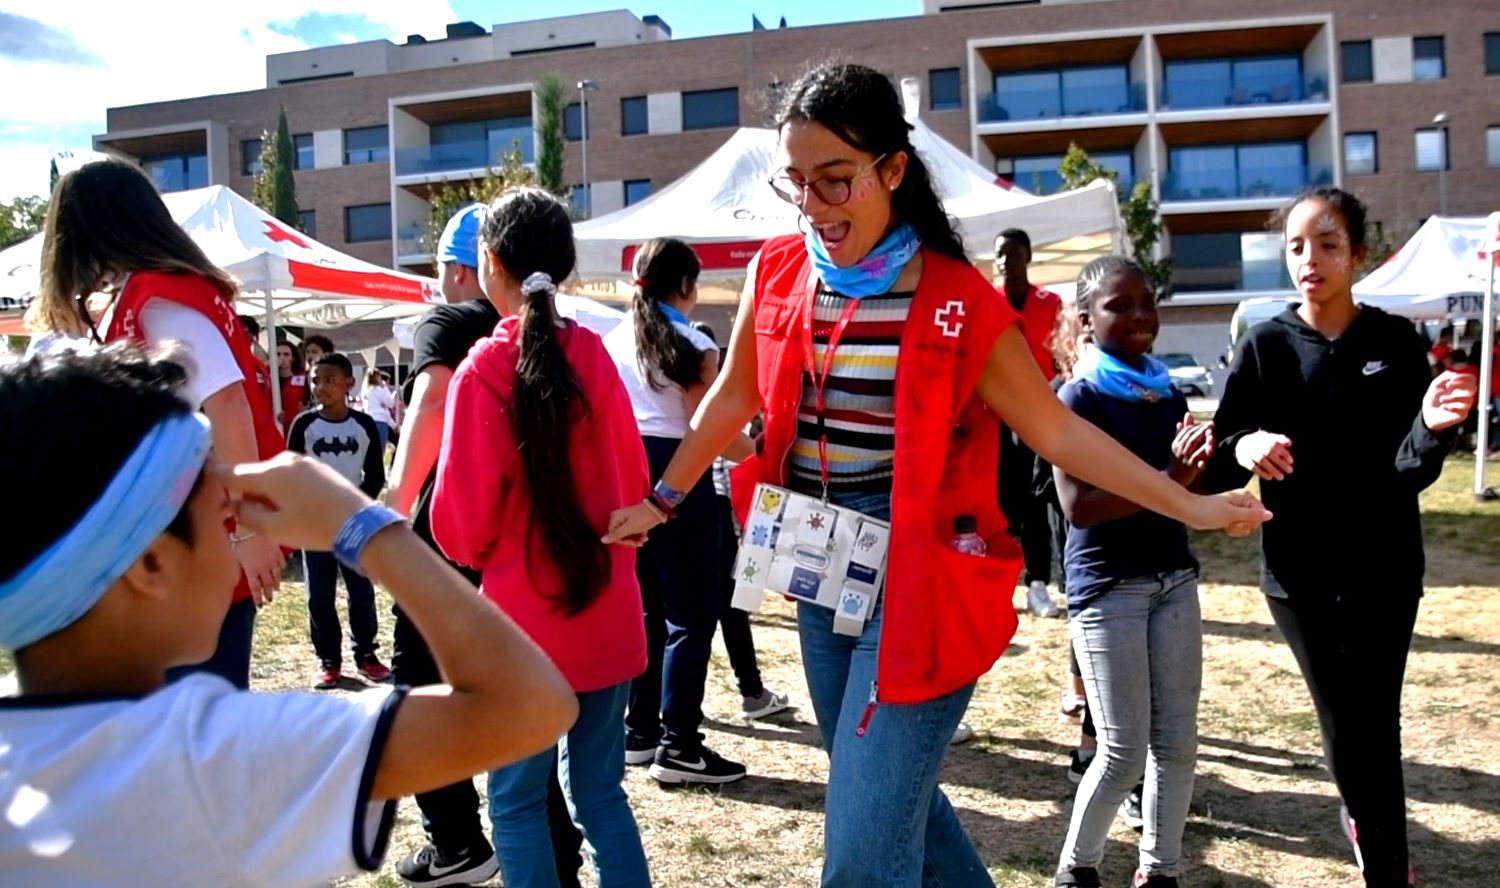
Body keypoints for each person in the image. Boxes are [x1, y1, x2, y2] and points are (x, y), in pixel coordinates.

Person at [603, 63, 1268, 888]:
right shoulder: (779, 272)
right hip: (818, 559)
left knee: (859, 853)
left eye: (835, 180)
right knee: (888, 801)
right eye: (796, 182)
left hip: (921, 574)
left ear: (892, 170)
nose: (812, 204)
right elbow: (736, 391)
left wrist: (1190, 507)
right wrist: (663, 498)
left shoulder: (958, 300)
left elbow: (1058, 430)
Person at [0, 342, 578, 885]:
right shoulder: (212, 757)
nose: (239, 533)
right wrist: (362, 524)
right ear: (151, 565)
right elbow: (532, 705)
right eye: (222, 517)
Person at [1204, 187, 1476, 888]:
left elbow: (1410, 466)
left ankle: (1383, 863)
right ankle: (1369, 824)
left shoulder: (1393, 342)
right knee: (1343, 722)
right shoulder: (1262, 344)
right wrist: (1247, 446)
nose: (1310, 260)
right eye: (1296, 245)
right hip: (1298, 575)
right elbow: (1219, 451)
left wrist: (1435, 426)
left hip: (1386, 567)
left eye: (1327, 244)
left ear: (1358, 254)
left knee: (1372, 720)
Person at [431, 187, 652, 888]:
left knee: (518, 801)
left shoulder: (482, 372)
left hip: (522, 633)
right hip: (608, 612)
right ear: (564, 268)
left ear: (488, 263)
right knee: (601, 793)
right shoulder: (595, 356)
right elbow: (632, 487)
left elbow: (459, 530)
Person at [25, 156, 286, 690]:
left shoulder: (160, 297)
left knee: (191, 722)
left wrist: (251, 528)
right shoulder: (156, 294)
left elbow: (230, 406)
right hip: (180, 545)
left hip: (200, 544)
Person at [386, 204, 585, 888]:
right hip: (527, 546)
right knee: (516, 694)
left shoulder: (446, 323)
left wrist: (394, 497)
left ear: (467, 268)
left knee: (415, 684)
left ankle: (457, 840)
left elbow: (432, 403)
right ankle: (558, 850)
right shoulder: (555, 331)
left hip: (454, 531)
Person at [1050, 256, 1211, 888]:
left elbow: (1178, 492)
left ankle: (1160, 873)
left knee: (1176, 745)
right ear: (1087, 321)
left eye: (1148, 302)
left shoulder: (1167, 391)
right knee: (1120, 753)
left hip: (1173, 577)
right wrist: (1170, 481)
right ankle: (1077, 870)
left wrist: (1198, 475)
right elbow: (1079, 508)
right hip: (1108, 588)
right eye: (1122, 305)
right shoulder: (1078, 398)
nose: (1141, 316)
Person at [605, 237, 754, 785]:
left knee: (647, 611)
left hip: (625, 473)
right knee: (692, 616)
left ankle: (641, 732)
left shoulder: (613, 340)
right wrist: (762, 451)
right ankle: (680, 745)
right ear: (686, 286)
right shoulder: (692, 343)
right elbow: (707, 429)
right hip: (680, 480)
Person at [693, 319, 793, 721]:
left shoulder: (680, 400)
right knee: (719, 611)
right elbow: (738, 457)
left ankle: (661, 715)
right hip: (717, 513)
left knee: (695, 615)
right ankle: (748, 692)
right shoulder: (715, 406)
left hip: (701, 512)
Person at [288, 353, 392, 689]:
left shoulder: (362, 425)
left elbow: (375, 475)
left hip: (353, 522)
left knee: (360, 590)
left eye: (330, 380)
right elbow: (292, 471)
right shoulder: (304, 425)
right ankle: (329, 660)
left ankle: (366, 654)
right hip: (314, 523)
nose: (321, 387)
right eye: (315, 380)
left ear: (349, 384)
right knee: (319, 594)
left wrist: (355, 504)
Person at [994, 227, 1066, 619]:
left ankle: (1037, 584)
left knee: (1037, 501)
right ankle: (1000, 583)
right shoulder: (986, 301)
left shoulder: (1050, 303)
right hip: (996, 419)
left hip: (1038, 415)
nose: (1006, 262)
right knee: (1000, 504)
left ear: (1028, 257)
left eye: (1013, 254)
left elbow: (1062, 359)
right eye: (1000, 255)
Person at [276, 339, 308, 434]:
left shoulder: (303, 380)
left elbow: (306, 405)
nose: (282, 358)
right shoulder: (266, 380)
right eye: (278, 354)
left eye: (286, 354)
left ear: (293, 358)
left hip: (294, 430)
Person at [364, 367, 398, 450]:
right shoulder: (378, 389)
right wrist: (385, 388)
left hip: (369, 422)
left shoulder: (366, 391)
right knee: (380, 450)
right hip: (380, 422)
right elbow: (390, 404)